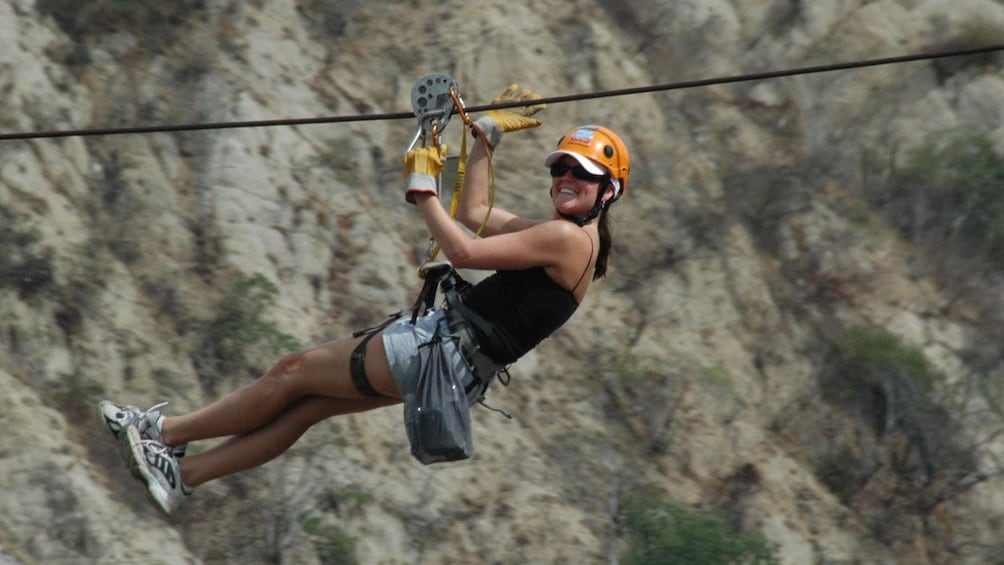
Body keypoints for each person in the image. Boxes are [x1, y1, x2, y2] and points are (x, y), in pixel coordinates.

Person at [98, 85, 631, 515]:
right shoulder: (570, 242)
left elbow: (465, 251)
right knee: (305, 407)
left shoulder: (566, 240)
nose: (565, 178)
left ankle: (161, 433)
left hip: (437, 351)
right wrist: (486, 139)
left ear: (607, 192)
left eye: (582, 174)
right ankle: (183, 477)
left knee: (292, 370)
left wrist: (422, 184)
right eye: (560, 167)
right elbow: (474, 216)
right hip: (453, 369)